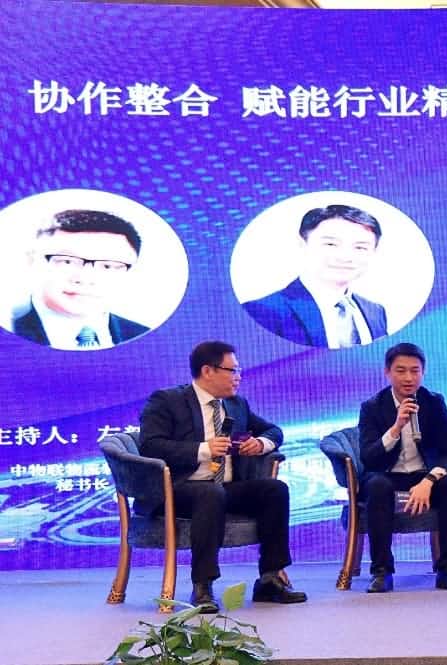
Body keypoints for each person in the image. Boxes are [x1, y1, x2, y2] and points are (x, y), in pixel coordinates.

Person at [137, 341, 307, 612]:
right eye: (232, 370)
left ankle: (270, 578)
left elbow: (274, 431)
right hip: (176, 489)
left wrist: (261, 443)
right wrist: (203, 449)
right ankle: (203, 585)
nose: (238, 377)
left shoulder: (236, 404)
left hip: (224, 487)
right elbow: (150, 446)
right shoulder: (167, 401)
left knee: (274, 489)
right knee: (209, 492)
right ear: (208, 371)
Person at [356, 342, 447, 593]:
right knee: (377, 486)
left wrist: (429, 481)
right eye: (401, 371)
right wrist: (396, 428)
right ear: (387, 372)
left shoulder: (433, 402)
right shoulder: (372, 407)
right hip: (385, 474)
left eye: (415, 371)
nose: (408, 378)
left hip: (423, 474)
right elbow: (368, 458)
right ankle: (381, 571)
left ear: (423, 372)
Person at [243, 204, 389, 348]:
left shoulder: (375, 311)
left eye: (360, 247)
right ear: (302, 244)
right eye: (331, 244)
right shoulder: (263, 310)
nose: (345, 257)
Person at [11, 209, 149, 349]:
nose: (85, 279)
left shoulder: (144, 337)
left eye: (108, 266)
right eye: (67, 262)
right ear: (31, 260)